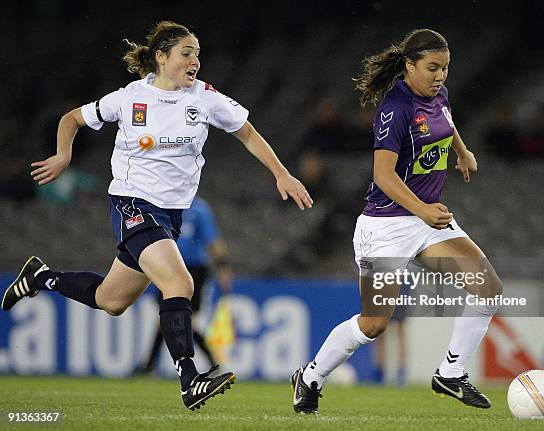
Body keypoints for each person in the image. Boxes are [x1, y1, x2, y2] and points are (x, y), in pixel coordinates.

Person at [1, 21, 312, 411]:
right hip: (132, 203)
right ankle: (189, 378)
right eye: (186, 53)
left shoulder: (206, 98)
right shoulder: (130, 97)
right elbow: (72, 119)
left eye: (197, 54)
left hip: (170, 215)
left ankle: (40, 277)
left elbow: (247, 133)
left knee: (111, 300)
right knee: (180, 282)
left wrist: (281, 172)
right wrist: (64, 155)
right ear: (162, 58)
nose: (195, 61)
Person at [291, 29, 502, 414]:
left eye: (445, 69)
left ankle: (450, 373)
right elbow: (384, 177)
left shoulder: (438, 95)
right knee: (374, 325)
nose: (440, 76)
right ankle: (311, 376)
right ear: (409, 65)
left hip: (425, 221)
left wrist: (463, 150)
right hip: (386, 225)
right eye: (432, 68)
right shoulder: (395, 108)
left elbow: (445, 121)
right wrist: (422, 209)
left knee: (487, 288)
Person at [134, 196, 232, 375]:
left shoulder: (199, 209)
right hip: (165, 265)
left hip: (193, 269)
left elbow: (214, 242)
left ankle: (214, 363)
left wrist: (223, 268)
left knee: (184, 320)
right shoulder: (161, 203)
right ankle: (149, 366)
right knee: (167, 318)